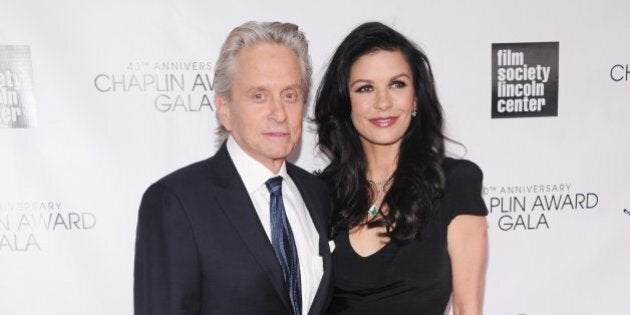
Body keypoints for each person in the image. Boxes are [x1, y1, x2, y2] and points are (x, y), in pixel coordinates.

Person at [134, 21, 332, 315]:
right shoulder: (175, 202)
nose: (279, 113)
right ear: (225, 109)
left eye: (289, 95)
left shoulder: (318, 194)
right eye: (259, 96)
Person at [314, 22, 488, 315]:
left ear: (416, 97)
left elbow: (467, 309)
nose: (383, 103)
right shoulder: (321, 194)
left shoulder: (454, 183)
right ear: (346, 102)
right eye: (365, 88)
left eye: (397, 84)